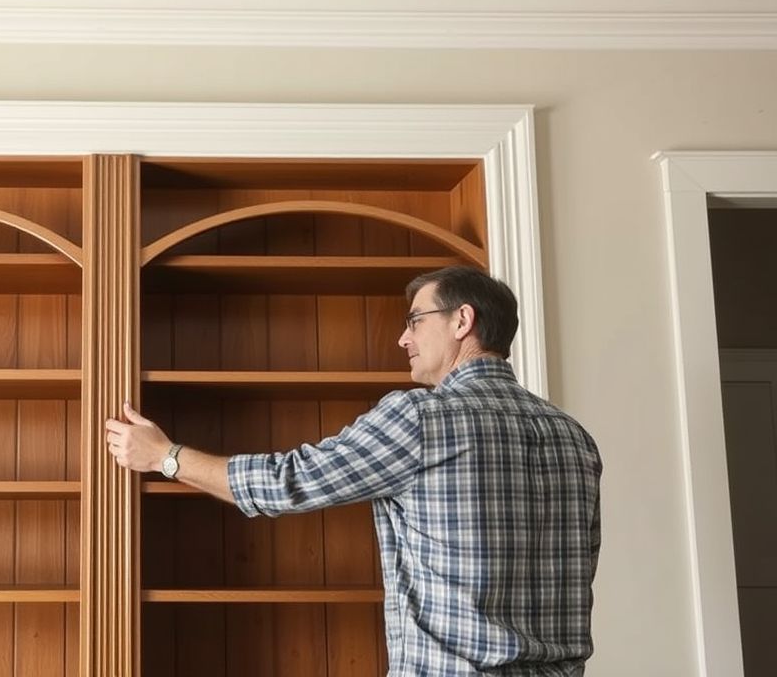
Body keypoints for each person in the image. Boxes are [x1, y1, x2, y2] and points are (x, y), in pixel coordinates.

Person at [105, 266, 602, 676]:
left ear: (462, 320)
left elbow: (287, 483)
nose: (402, 337)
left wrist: (164, 457)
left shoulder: (421, 418)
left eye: (415, 320)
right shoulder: (573, 436)